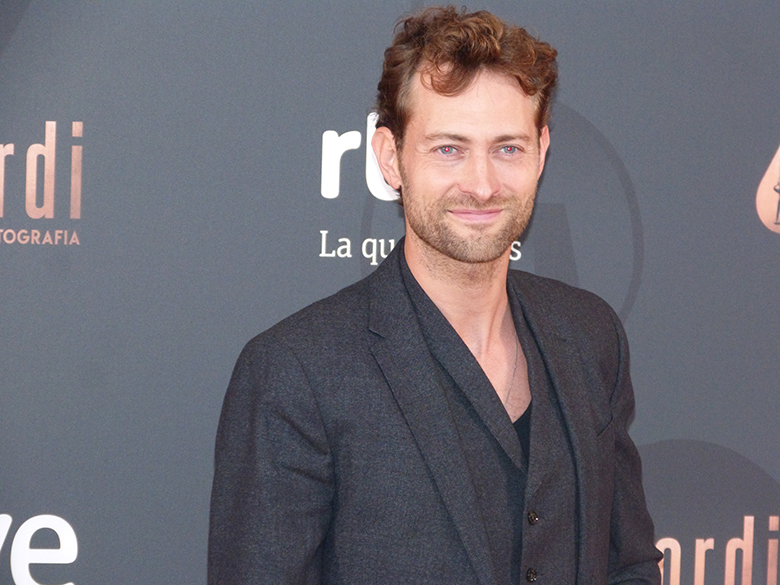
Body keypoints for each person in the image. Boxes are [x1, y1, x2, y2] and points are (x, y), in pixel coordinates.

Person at [208, 6, 662, 584]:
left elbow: (629, 564)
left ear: (541, 151)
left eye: (508, 148)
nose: (482, 184)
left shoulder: (590, 336)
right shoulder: (296, 372)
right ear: (389, 158)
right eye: (449, 148)